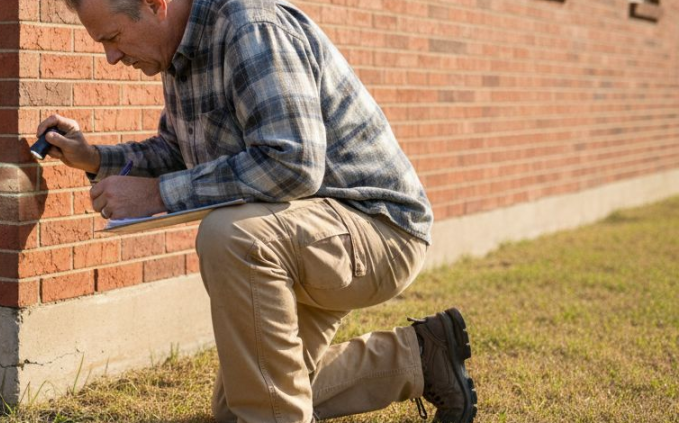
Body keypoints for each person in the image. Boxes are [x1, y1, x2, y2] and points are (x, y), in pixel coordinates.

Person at [35, 0, 477, 422]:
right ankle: (421, 356)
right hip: (302, 231)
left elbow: (293, 162)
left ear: (155, 5)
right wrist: (92, 158)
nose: (111, 57)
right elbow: (176, 152)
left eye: (113, 37)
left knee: (230, 235)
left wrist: (156, 195)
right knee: (242, 405)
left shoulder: (251, 27)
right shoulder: (178, 56)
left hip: (378, 227)